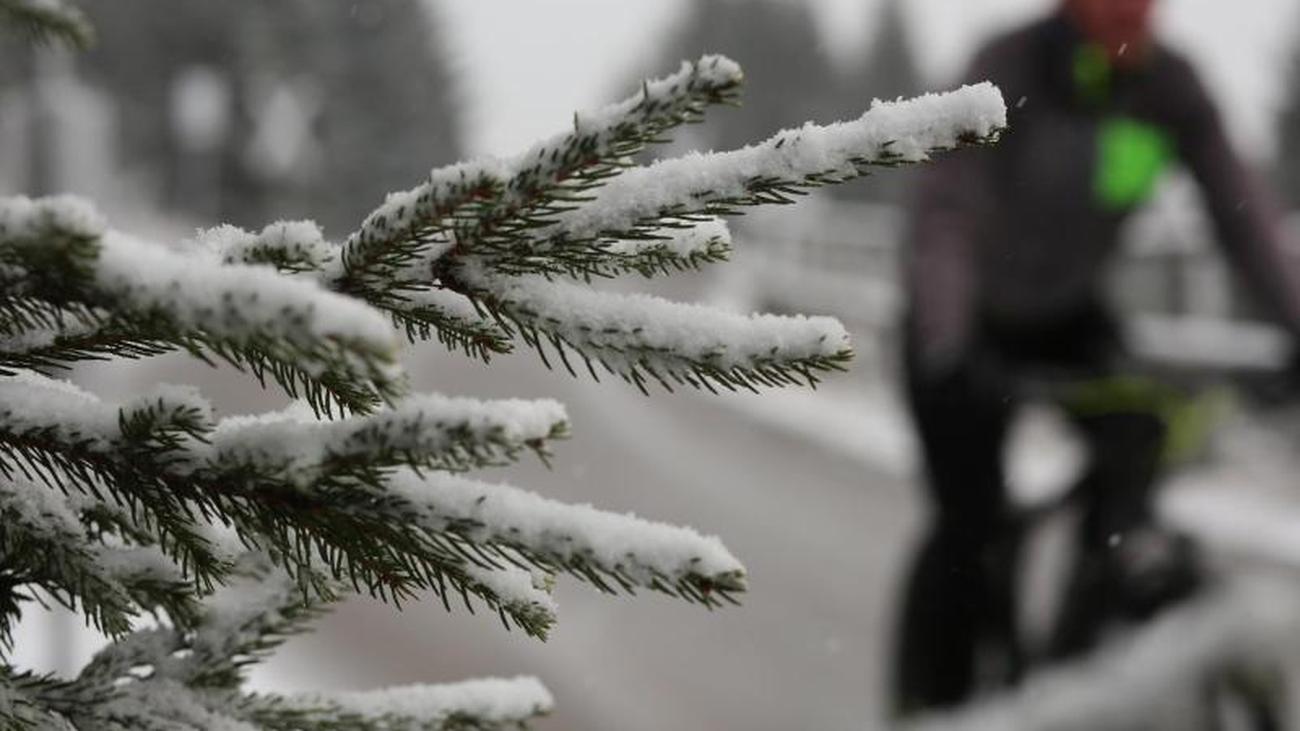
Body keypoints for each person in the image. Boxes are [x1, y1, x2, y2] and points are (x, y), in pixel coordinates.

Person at [893, 0, 1300, 714]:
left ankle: (1090, 634)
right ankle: (935, 705)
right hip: (962, 320)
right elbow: (947, 209)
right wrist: (947, 342)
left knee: (1136, 443)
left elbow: (1244, 215)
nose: (1129, 12)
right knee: (969, 519)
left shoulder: (1171, 88)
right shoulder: (1008, 66)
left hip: (1068, 315)